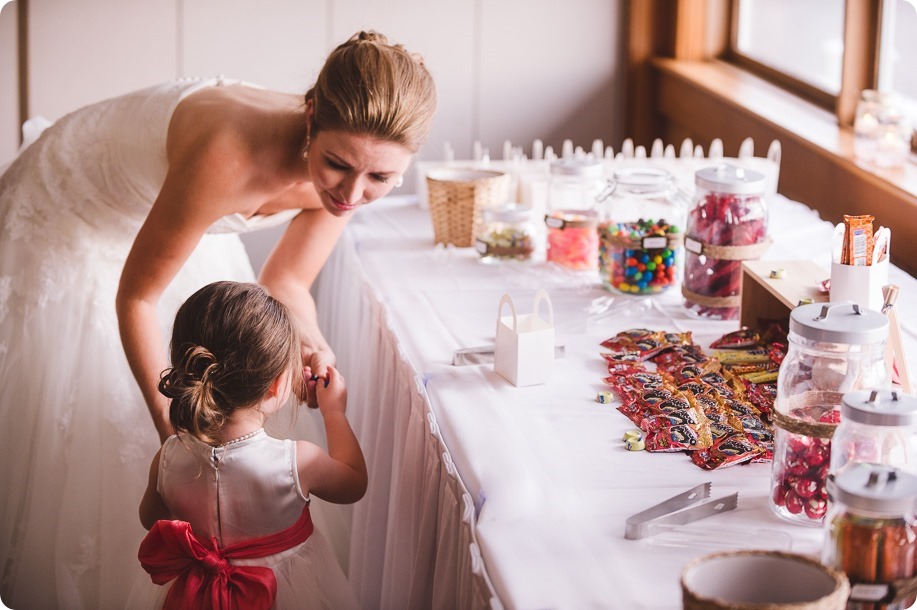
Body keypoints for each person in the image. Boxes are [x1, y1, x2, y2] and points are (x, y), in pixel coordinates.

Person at [0, 30, 435, 608]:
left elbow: (285, 283)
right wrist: (177, 435)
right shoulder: (226, 156)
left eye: (381, 179)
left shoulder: (345, 183)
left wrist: (317, 348)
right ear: (311, 118)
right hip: (75, 207)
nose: (352, 193)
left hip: (177, 212)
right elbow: (136, 299)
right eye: (336, 165)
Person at [130, 281, 367, 609]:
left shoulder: (168, 457)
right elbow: (354, 482)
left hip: (194, 595)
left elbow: (149, 518)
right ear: (277, 385)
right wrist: (334, 412)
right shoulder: (296, 462)